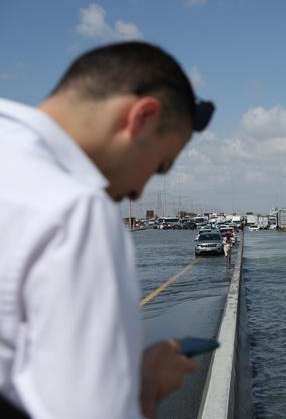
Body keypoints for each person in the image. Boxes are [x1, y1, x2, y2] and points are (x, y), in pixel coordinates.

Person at [0, 42, 214, 418]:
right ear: (142, 117)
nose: (138, 191)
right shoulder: (73, 208)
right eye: (160, 165)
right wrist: (143, 386)